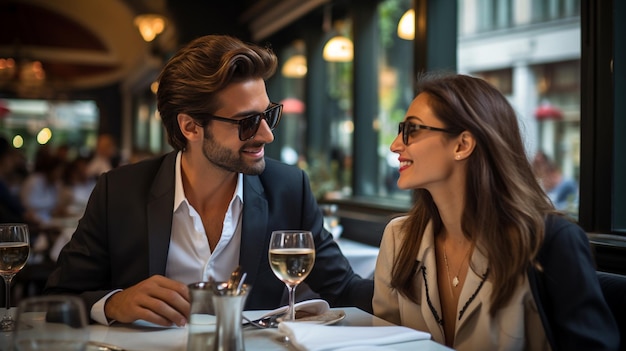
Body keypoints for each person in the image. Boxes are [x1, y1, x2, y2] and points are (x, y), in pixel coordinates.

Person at [45, 34, 372, 327]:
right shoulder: (119, 192)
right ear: (190, 127)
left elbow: (344, 289)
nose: (267, 134)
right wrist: (114, 302)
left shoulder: (290, 188)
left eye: (268, 115)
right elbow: (58, 297)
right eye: (247, 122)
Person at [372, 73, 619, 350]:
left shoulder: (548, 242)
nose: (395, 145)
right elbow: (385, 344)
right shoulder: (399, 238)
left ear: (462, 145)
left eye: (412, 129)